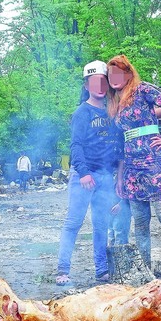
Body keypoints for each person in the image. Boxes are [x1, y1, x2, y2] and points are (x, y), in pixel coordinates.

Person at [106, 54, 161, 268]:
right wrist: (121, 177)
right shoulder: (115, 102)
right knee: (140, 223)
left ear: (128, 73)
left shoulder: (142, 90)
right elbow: (122, 142)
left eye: (118, 73)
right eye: (110, 74)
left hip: (154, 164)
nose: (114, 78)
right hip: (132, 168)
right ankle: (147, 274)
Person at [56, 61, 122, 286]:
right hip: (83, 176)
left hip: (104, 176)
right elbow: (76, 145)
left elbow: (115, 145)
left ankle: (101, 270)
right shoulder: (82, 112)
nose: (100, 86)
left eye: (103, 81)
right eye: (94, 82)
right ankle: (62, 270)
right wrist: (83, 173)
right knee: (73, 222)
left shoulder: (112, 111)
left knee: (101, 224)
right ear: (86, 85)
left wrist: (114, 180)